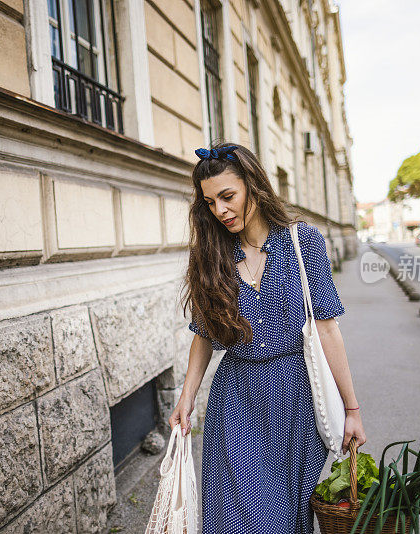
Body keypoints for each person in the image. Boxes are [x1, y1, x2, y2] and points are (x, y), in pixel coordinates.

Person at [168, 142, 367, 534]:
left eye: (228, 196)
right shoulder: (210, 255)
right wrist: (186, 398)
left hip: (295, 399)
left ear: (254, 187)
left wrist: (352, 410)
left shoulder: (303, 242)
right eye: (210, 202)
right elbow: (204, 336)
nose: (220, 210)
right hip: (236, 400)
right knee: (238, 518)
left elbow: (327, 328)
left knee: (286, 519)